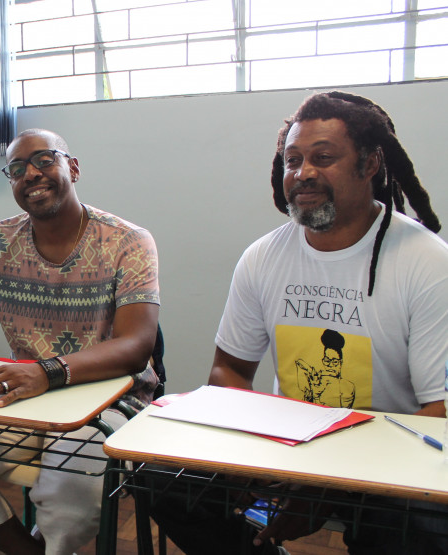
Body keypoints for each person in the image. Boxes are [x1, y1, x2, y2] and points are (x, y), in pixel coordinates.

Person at [151, 91, 448, 554]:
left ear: (370, 164)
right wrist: (254, 455)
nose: (303, 173)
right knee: (163, 478)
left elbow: (438, 415)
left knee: (415, 531)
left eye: (323, 158)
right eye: (293, 160)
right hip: (290, 447)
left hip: (391, 459)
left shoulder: (426, 263)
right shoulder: (264, 256)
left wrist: (325, 486)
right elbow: (228, 370)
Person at [0, 129, 162, 554]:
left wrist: (47, 372)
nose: (32, 174)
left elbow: (136, 346)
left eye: (44, 160)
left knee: (71, 487)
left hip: (109, 400)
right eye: (18, 169)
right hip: (25, 397)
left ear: (72, 168)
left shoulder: (128, 242)